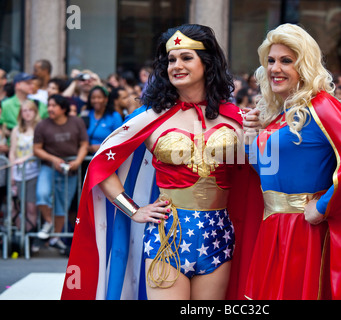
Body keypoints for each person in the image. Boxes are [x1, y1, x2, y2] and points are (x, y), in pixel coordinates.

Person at [61, 24, 262, 300]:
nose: (176, 65)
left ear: (207, 62)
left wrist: (257, 133)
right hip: (167, 236)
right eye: (171, 60)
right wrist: (133, 209)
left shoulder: (236, 118)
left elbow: (259, 169)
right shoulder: (151, 117)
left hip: (219, 236)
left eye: (186, 58)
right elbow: (101, 164)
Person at [243, 23, 341, 299]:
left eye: (287, 61)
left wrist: (323, 205)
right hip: (272, 229)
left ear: (305, 64)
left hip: (303, 232)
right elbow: (265, 169)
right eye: (271, 60)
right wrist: (251, 136)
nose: (276, 68)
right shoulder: (279, 113)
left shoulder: (321, 104)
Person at [34, 94, 88, 252]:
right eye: (48, 105)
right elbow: (36, 149)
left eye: (53, 106)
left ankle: (56, 237)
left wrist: (77, 161)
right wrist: (54, 160)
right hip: (49, 167)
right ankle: (48, 222)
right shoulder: (42, 125)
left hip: (70, 169)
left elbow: (84, 144)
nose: (49, 109)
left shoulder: (76, 122)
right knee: (42, 194)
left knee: (62, 204)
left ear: (63, 108)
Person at [8, 100, 41, 233]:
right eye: (24, 111)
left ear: (35, 112)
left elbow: (39, 149)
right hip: (18, 172)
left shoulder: (39, 128)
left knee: (31, 207)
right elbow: (12, 152)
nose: (27, 114)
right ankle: (21, 234)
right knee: (15, 205)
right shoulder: (16, 130)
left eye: (30, 110)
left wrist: (25, 159)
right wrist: (12, 173)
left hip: (33, 172)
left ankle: (30, 235)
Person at [0, 73, 48, 137]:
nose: (32, 86)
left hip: (37, 144)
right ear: (18, 85)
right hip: (12, 145)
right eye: (28, 83)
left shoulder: (39, 104)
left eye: (32, 83)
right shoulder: (5, 105)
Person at [84, 86, 122, 155]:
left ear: (106, 99)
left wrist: (100, 147)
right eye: (93, 98)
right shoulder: (86, 114)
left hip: (107, 156)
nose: (96, 100)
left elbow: (120, 138)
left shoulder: (114, 116)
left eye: (99, 97)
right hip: (86, 158)